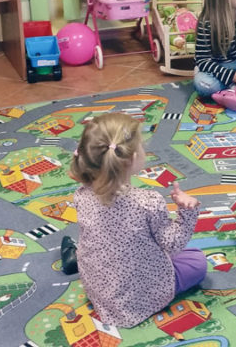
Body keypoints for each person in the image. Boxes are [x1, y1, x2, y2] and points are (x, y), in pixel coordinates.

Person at [66, 112, 206, 328]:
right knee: (197, 260)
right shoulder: (147, 202)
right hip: (137, 295)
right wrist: (188, 211)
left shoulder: (81, 194)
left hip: (98, 285)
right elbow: (172, 244)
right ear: (132, 158)